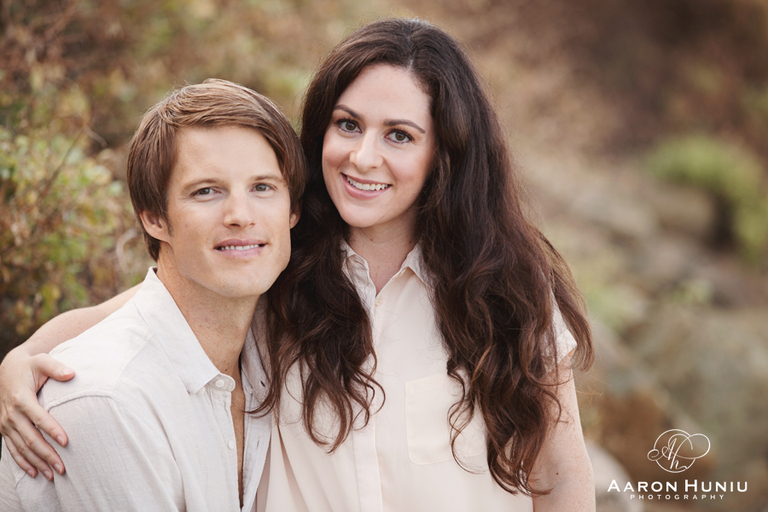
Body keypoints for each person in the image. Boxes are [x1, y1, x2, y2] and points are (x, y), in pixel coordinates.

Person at [0, 18, 595, 512]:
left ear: (446, 151)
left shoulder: (504, 288)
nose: (364, 157)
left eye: (400, 136)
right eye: (348, 125)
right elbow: (143, 313)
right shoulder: (279, 262)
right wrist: (20, 361)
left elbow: (562, 478)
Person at [0, 79, 304, 511]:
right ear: (154, 219)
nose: (241, 216)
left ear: (292, 211)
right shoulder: (110, 401)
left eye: (263, 187)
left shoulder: (269, 345)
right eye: (206, 191)